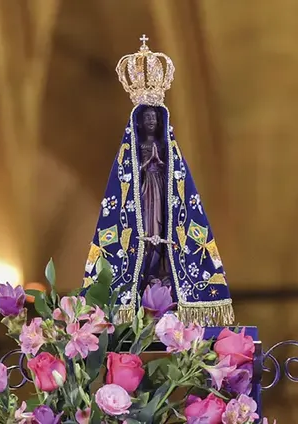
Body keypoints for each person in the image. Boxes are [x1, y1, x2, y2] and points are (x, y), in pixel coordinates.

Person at [82, 36, 234, 326]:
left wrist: (159, 164)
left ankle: (164, 281)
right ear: (139, 123)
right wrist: (146, 164)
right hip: (143, 196)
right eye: (147, 118)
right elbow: (127, 182)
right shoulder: (135, 150)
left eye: (154, 118)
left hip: (162, 195)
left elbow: (176, 179)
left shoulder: (167, 149)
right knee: (145, 239)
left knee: (163, 236)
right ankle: (141, 281)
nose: (151, 122)